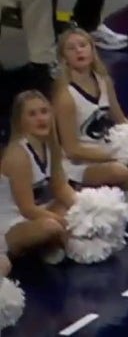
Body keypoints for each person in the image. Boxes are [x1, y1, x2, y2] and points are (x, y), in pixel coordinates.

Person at [51, 28, 128, 207]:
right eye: (71, 48)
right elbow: (72, 149)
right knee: (121, 172)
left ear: (92, 49)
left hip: (107, 150)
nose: (79, 51)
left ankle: (123, 190)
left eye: (83, 45)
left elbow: (120, 120)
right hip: (80, 164)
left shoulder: (103, 80)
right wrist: (115, 155)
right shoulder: (65, 96)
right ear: (64, 58)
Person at [1, 90, 76, 264]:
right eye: (32, 114)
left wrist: (85, 210)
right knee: (50, 226)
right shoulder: (17, 155)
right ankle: (43, 245)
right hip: (9, 225)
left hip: (36, 213)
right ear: (20, 121)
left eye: (44, 111)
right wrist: (67, 224)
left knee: (71, 207)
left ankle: (47, 246)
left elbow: (60, 187)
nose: (41, 118)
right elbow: (27, 209)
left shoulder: (51, 146)